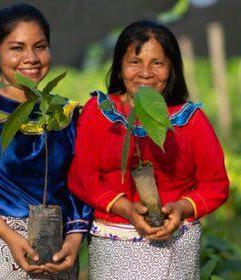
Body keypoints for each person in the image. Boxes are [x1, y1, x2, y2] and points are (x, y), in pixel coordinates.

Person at [68, 20, 229, 279]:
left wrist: (182, 208)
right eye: (135, 62)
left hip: (177, 242)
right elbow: (82, 178)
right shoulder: (99, 112)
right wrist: (126, 209)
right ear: (119, 67)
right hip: (115, 244)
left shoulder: (190, 119)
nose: (146, 73)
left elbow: (215, 184)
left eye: (157, 63)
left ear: (172, 68)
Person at [0, 3, 91, 280]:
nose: (31, 58)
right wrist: (10, 236)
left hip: (56, 251)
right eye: (17, 48)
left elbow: (80, 183)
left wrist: (73, 239)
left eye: (40, 46)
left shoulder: (65, 115)